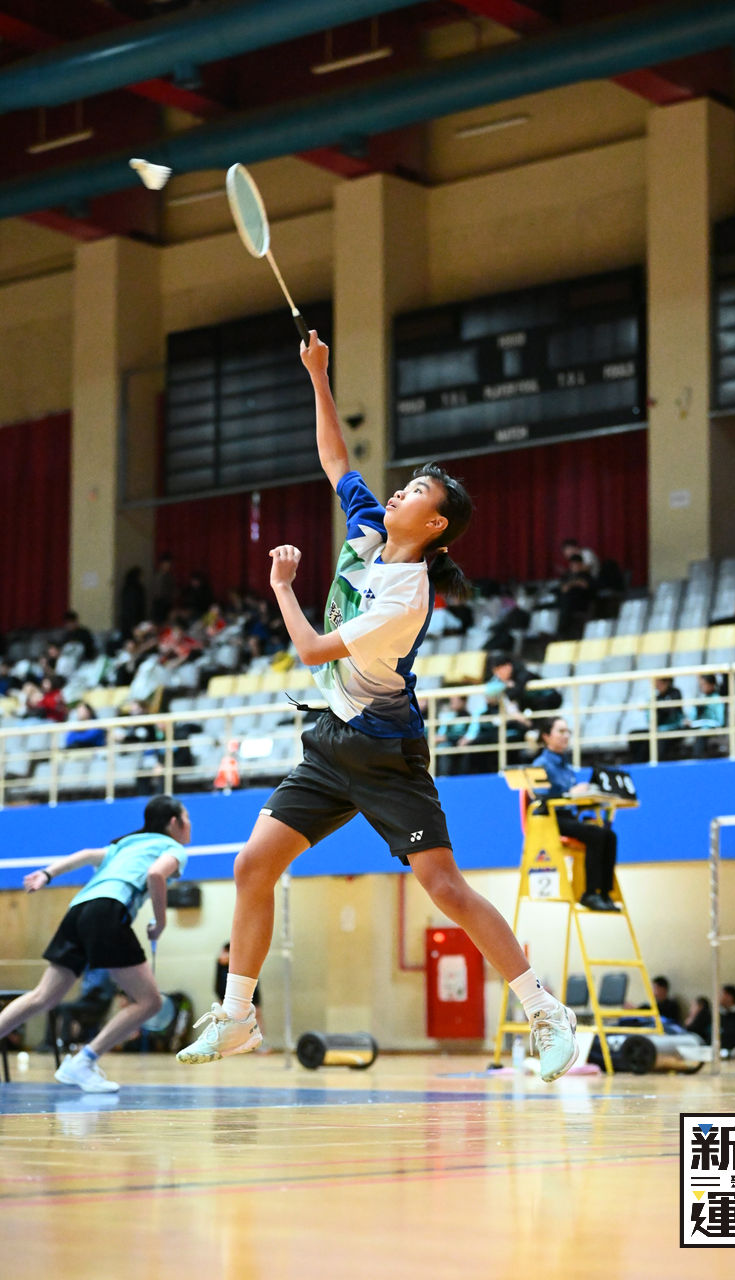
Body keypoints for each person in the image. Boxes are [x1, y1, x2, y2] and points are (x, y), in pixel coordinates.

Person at [177, 330, 578, 1083]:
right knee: (252, 864)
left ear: (434, 526)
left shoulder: (405, 595)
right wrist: (318, 374)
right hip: (331, 741)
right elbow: (335, 459)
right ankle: (237, 1015)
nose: (399, 493)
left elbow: (311, 650)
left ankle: (545, 1011)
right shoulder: (367, 532)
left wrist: (282, 587)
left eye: (416, 494)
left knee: (444, 888)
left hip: (386, 752)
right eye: (404, 486)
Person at [0, 795, 191, 1092]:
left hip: (78, 910)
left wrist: (48, 873)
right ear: (174, 822)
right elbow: (156, 874)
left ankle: (81, 1063)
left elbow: (87, 855)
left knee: (43, 996)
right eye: (187, 818)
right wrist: (161, 923)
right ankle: (83, 1062)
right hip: (107, 912)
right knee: (150, 1002)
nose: (190, 824)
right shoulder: (173, 848)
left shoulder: (125, 844)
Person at [531, 716, 619, 912]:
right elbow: (540, 798)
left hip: (569, 817)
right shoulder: (541, 764)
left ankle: (605, 894)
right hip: (551, 820)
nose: (566, 736)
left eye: (568, 732)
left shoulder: (566, 765)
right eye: (560, 731)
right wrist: (570, 793)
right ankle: (589, 894)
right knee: (596, 835)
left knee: (609, 835)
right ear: (546, 736)